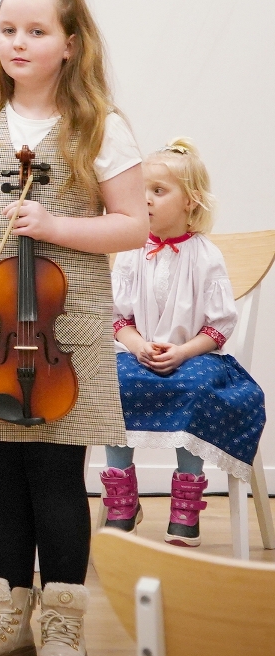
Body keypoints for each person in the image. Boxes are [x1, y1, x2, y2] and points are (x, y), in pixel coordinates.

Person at [0, 0, 147, 656]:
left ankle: (62, 624)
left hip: (64, 335)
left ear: (70, 44)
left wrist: (55, 226)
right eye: (6, 29)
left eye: (36, 31)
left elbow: (133, 224)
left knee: (56, 477)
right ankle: (6, 619)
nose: (17, 43)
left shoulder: (99, 127)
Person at [103, 138, 267, 545]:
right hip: (137, 351)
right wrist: (137, 344)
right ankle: (122, 500)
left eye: (158, 191)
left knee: (197, 388)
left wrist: (182, 351)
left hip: (194, 354)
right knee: (108, 382)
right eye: (142, 190)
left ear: (190, 201)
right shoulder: (130, 251)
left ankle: (186, 503)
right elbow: (118, 318)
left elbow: (218, 326)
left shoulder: (206, 256)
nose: (145, 199)